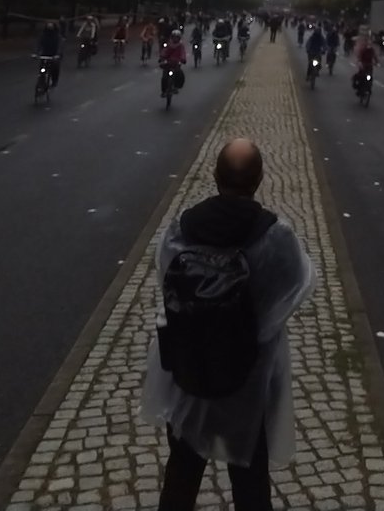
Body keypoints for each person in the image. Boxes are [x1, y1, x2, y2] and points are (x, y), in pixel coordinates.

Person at [142, 138, 316, 511]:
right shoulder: (274, 236)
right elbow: (298, 287)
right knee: (250, 478)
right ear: (259, 179)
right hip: (247, 378)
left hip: (189, 371)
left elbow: (166, 277)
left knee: (182, 473)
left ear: (215, 175)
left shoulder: (182, 227)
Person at [37, 20, 64, 87]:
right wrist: (36, 53)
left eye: (51, 27)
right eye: (48, 27)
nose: (49, 28)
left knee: (55, 68)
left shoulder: (57, 36)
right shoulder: (43, 35)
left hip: (54, 55)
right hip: (45, 54)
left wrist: (58, 54)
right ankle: (41, 79)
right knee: (42, 67)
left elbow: (60, 46)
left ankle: (54, 81)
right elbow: (39, 44)